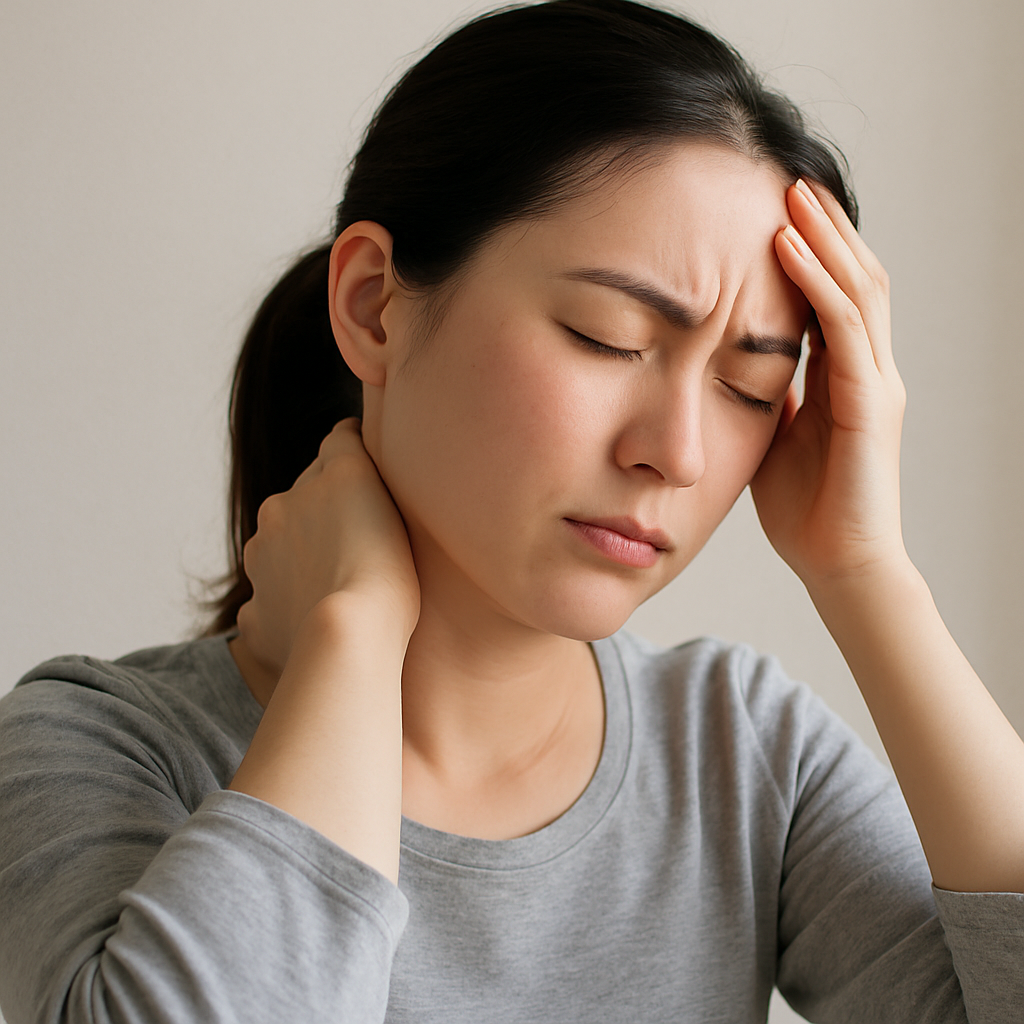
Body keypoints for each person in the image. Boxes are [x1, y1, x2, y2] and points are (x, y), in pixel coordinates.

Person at [1, 0, 1022, 1021]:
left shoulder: (741, 751)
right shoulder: (97, 747)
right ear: (373, 304)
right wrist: (350, 640)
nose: (676, 451)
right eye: (606, 334)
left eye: (748, 387)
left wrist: (868, 574)